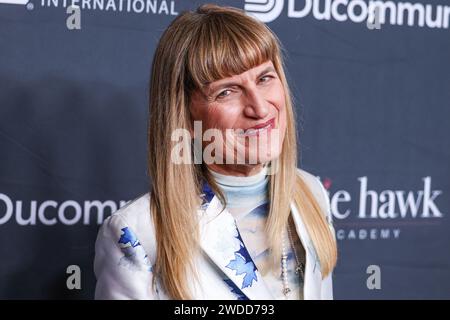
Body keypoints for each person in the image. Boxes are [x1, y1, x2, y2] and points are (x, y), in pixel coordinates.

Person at [94, 3, 337, 300]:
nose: (259, 108)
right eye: (227, 91)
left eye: (265, 78)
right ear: (185, 116)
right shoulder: (137, 233)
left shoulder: (311, 194)